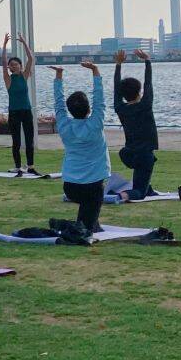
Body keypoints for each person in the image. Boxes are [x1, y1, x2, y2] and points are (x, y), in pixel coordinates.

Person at [54, 62, 109, 234]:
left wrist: (59, 76)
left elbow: (59, 104)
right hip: (93, 186)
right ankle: (74, 226)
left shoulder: (64, 125)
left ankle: (92, 223)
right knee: (85, 228)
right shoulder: (96, 123)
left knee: (89, 209)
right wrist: (95, 71)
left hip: (70, 186)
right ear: (89, 109)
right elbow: (99, 99)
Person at [113, 49, 160, 199]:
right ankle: (121, 196)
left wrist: (118, 64)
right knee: (139, 193)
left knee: (143, 173)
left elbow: (116, 89)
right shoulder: (145, 105)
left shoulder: (120, 108)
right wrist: (147, 61)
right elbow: (148, 83)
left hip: (128, 154)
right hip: (143, 155)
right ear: (139, 92)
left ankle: (148, 188)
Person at [1, 34, 38, 175]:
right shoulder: (8, 79)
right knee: (16, 141)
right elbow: (4, 62)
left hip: (26, 111)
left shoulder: (24, 76)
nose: (13, 66)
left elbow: (31, 59)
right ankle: (18, 167)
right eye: (12, 65)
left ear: (20, 66)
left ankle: (30, 166)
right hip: (14, 112)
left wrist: (24, 42)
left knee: (29, 140)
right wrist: (5, 45)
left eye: (16, 64)